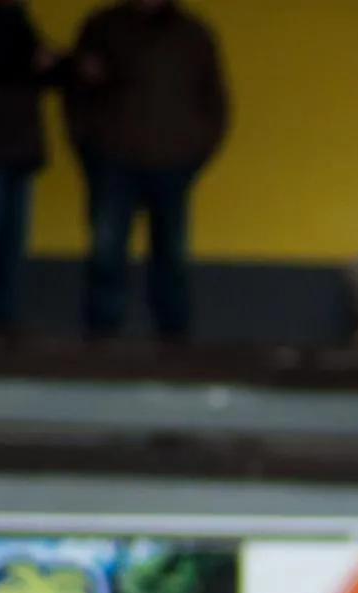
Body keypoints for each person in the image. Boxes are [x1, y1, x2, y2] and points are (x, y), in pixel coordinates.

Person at [67, 0, 228, 342]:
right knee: (106, 252)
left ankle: (174, 339)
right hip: (112, 160)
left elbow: (214, 99)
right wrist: (89, 147)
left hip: (173, 164)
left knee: (171, 254)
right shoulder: (103, 27)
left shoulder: (192, 34)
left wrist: (195, 152)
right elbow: (76, 91)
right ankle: (100, 339)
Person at [0, 0, 56, 336]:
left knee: (12, 242)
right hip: (9, 146)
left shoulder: (19, 19)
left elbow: (47, 75)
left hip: (19, 150)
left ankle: (6, 320)